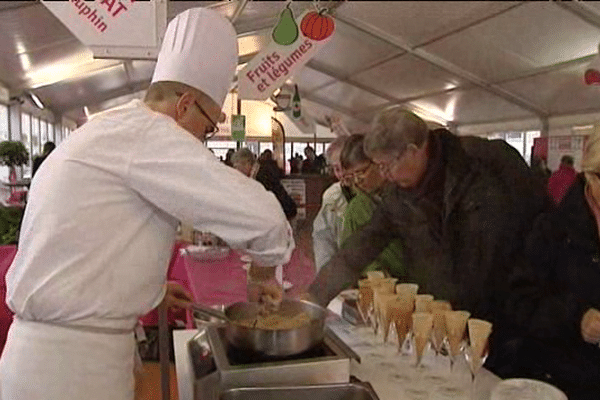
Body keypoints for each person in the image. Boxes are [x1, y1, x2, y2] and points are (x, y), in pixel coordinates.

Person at [0, 8, 294, 400]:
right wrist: (262, 275)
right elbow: (266, 219)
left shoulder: (114, 129)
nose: (202, 142)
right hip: (69, 371)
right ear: (185, 104)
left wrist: (151, 290)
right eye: (207, 128)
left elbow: (92, 238)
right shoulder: (149, 135)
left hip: (54, 356)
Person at [305, 108, 546, 370]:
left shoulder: (487, 164)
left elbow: (538, 229)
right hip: (444, 317)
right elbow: (363, 243)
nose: (383, 175)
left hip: (504, 319)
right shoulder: (398, 195)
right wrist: (314, 296)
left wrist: (526, 304)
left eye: (386, 165)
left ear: (412, 150)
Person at [502, 134, 600, 399]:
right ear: (590, 176)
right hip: (561, 380)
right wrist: (577, 318)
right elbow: (520, 300)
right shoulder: (552, 228)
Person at [339, 134, 405, 280]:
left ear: (378, 162)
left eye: (362, 172)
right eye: (352, 176)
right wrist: (376, 273)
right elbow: (351, 254)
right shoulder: (357, 209)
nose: (357, 181)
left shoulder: (406, 191)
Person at [312, 136, 354, 272]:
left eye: (345, 166)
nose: (342, 174)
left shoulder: (374, 192)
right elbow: (323, 239)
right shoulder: (332, 196)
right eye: (337, 169)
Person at [255, 149, 297, 221]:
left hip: (266, 196)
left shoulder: (260, 168)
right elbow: (281, 175)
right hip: (278, 194)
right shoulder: (274, 165)